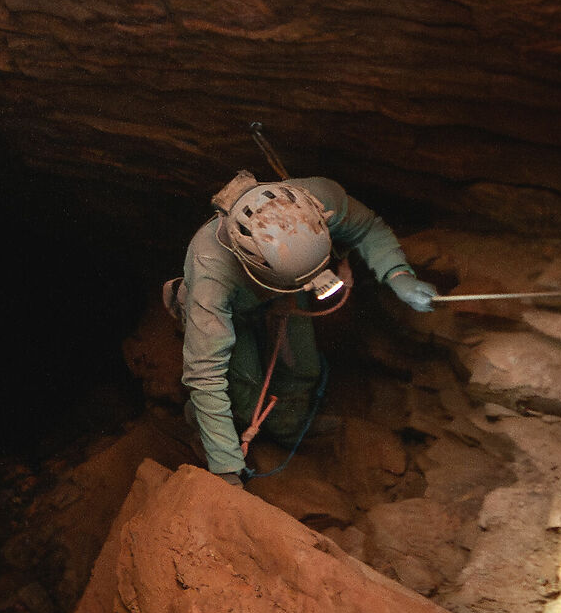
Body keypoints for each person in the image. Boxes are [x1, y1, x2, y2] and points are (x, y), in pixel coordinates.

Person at [175, 171, 437, 486]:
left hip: (283, 292)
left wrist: (397, 274)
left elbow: (366, 227)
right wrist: (226, 467)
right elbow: (206, 374)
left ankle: (288, 427)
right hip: (235, 309)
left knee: (302, 369)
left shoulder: (320, 199)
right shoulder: (211, 269)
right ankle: (207, 427)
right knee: (244, 391)